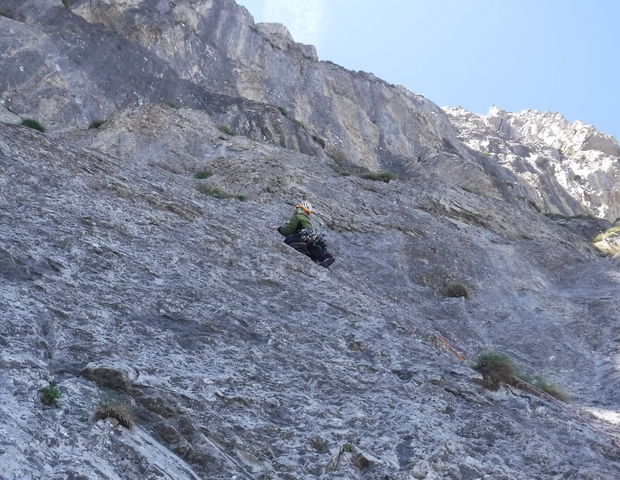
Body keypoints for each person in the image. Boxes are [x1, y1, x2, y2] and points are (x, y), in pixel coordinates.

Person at [276, 201, 335, 267]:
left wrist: (280, 228)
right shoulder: (308, 221)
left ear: (301, 209)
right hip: (315, 236)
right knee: (314, 249)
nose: (296, 210)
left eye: (297, 208)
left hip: (305, 235)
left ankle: (300, 243)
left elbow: (289, 229)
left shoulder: (297, 216)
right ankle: (326, 258)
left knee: (287, 241)